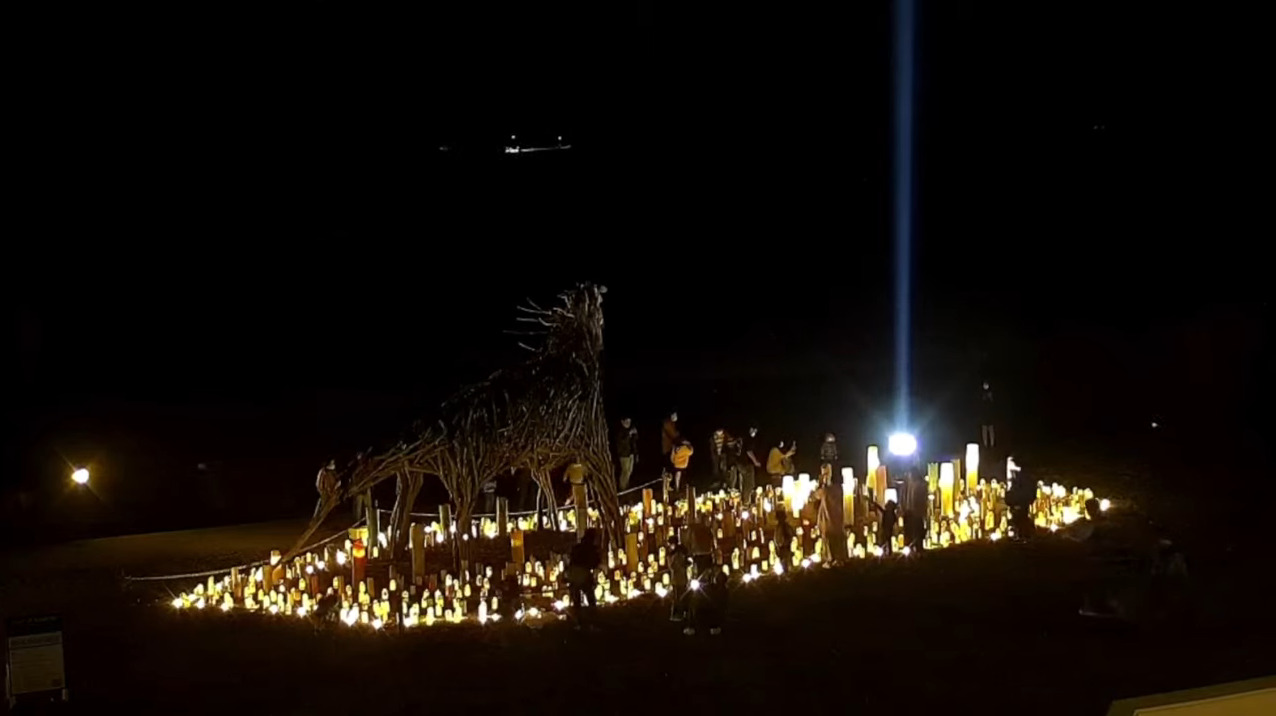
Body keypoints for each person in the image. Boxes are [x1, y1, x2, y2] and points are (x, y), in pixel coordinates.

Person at [685, 513, 719, 636]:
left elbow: (689, 544)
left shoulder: (696, 530)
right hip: (702, 558)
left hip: (701, 558)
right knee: (703, 589)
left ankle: (695, 623)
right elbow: (713, 544)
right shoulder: (700, 530)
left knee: (701, 591)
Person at [567, 529, 602, 628]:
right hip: (582, 573)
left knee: (576, 599)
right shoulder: (590, 549)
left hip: (574, 573)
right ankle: (592, 618)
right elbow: (594, 562)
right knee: (589, 596)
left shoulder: (578, 548)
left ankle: (578, 620)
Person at [668, 535, 690, 622]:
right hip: (678, 578)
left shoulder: (677, 554)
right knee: (678, 597)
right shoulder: (673, 554)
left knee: (680, 597)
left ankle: (680, 613)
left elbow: (674, 565)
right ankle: (678, 613)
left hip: (679, 578)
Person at [740, 426, 762, 504]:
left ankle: (745, 501)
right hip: (746, 464)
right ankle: (746, 502)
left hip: (742, 464)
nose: (754, 432)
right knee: (749, 484)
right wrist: (755, 461)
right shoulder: (748, 439)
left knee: (744, 484)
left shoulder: (743, 438)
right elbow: (749, 451)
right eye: (754, 430)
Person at [616, 417, 638, 491]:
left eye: (629, 422)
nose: (628, 424)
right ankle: (622, 487)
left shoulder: (630, 430)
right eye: (626, 422)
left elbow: (634, 441)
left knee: (629, 470)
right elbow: (622, 442)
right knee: (625, 471)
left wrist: (635, 434)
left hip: (630, 453)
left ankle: (626, 485)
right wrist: (629, 434)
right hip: (624, 454)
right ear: (622, 422)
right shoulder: (621, 431)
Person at [980, 381, 996, 448]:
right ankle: (985, 444)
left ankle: (992, 444)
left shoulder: (990, 393)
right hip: (984, 415)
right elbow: (980, 402)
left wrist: (990, 397)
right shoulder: (982, 394)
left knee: (991, 429)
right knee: (984, 429)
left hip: (990, 415)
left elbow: (993, 403)